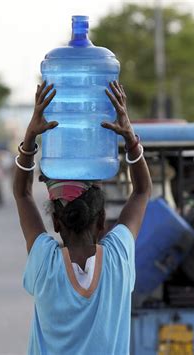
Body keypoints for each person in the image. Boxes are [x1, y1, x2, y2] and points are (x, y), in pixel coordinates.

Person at [13, 81, 152, 354]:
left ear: (55, 222)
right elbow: (143, 192)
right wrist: (129, 137)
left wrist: (30, 137)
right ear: (102, 221)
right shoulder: (117, 259)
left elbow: (22, 194)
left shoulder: (45, 263)